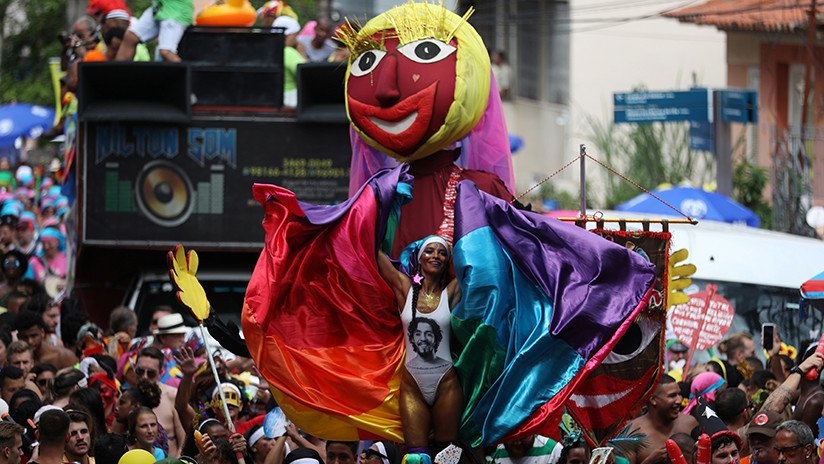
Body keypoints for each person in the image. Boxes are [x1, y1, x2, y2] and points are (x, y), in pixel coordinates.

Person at [378, 235, 461, 453]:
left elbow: (476, 266)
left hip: (446, 385)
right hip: (412, 388)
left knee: (447, 454)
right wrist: (369, 216)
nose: (436, 256)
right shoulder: (406, 289)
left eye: (442, 253)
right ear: (420, 258)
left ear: (447, 260)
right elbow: (376, 256)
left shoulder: (452, 291)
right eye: (430, 251)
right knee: (416, 456)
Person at [628, 375, 698, 464]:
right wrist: (649, 462)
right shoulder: (632, 433)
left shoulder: (690, 423)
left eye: (679, 394)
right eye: (672, 396)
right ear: (653, 399)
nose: (679, 401)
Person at [135, 346, 185, 457]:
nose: (144, 377)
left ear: (161, 373)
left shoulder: (172, 396)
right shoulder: (126, 400)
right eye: (140, 371)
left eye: (151, 373)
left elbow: (183, 438)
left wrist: (177, 461)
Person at [115, 0, 192, 62]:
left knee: (166, 52)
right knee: (130, 37)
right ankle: (118, 74)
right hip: (159, 8)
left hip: (175, 12)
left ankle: (188, 75)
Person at [273, 16, 305, 109]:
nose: (297, 39)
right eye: (295, 35)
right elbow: (306, 75)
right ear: (287, 36)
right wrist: (302, 55)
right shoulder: (288, 52)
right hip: (290, 100)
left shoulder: (269, 49)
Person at [487, 435, 564, 464]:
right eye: (512, 437)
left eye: (522, 437)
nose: (517, 442)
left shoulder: (553, 451)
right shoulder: (495, 452)